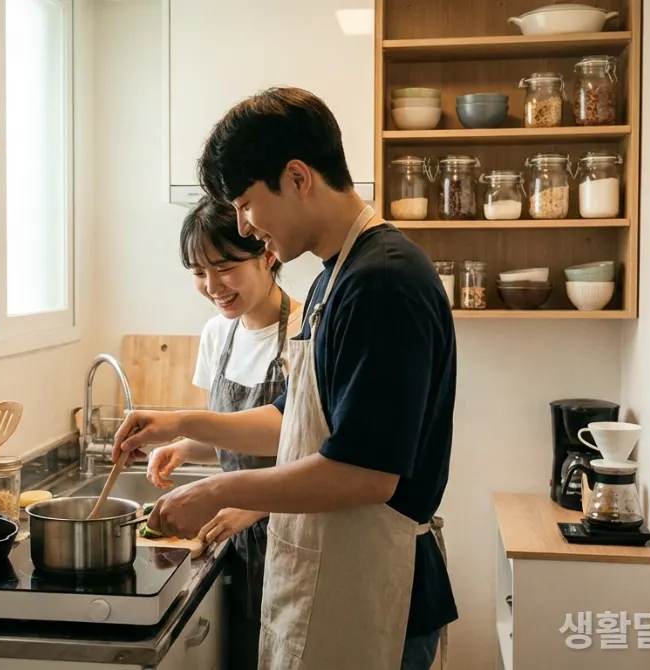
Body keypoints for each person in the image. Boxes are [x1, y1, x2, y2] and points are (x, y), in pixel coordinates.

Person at [114, 87, 458, 670]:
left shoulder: (381, 283)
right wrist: (181, 421)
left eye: (247, 203)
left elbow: (365, 475)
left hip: (380, 588)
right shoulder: (337, 276)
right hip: (337, 571)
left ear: (298, 178)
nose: (245, 227)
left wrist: (217, 491)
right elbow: (293, 420)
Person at [145, 194, 303, 669]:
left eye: (225, 267)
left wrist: (252, 506)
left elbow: (308, 444)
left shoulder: (304, 331)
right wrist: (184, 447)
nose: (212, 285)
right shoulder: (218, 334)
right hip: (235, 543)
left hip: (293, 532)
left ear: (267, 253)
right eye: (198, 272)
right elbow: (235, 438)